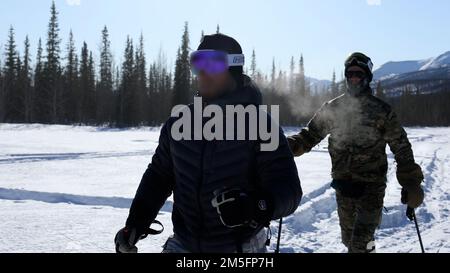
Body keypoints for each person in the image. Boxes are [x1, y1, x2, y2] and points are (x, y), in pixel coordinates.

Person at [115, 33, 303, 253]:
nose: (202, 72)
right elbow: (159, 176)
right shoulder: (179, 124)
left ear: (233, 68)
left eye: (212, 64)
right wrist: (135, 223)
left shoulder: (260, 126)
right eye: (197, 63)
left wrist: (255, 206)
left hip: (239, 247)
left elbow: (289, 189)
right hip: (184, 243)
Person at [287, 52, 424, 253]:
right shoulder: (333, 108)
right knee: (350, 241)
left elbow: (401, 147)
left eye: (358, 74)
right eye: (350, 74)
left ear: (367, 77)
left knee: (360, 243)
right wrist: (288, 146)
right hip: (343, 186)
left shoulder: (381, 111)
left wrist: (411, 183)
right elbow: (310, 136)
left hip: (371, 188)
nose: (353, 78)